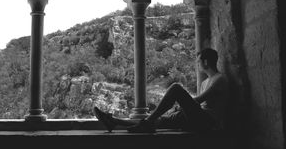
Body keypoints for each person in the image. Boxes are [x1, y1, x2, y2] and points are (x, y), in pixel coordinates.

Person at [93, 48, 229, 133]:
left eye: (199, 61)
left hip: (207, 122)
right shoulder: (205, 81)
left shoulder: (219, 79)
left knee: (176, 88)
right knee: (159, 120)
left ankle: (147, 123)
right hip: (195, 119)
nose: (197, 64)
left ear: (205, 62)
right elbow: (196, 104)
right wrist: (179, 108)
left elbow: (199, 100)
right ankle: (114, 121)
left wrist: (180, 105)